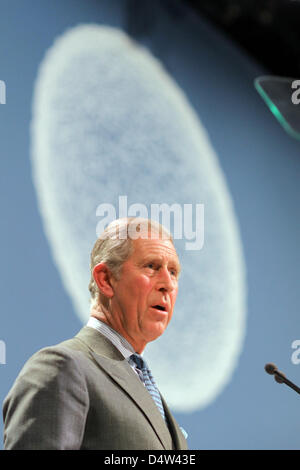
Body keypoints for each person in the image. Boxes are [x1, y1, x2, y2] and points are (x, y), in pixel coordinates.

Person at [2, 217, 188, 450]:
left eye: (173, 272)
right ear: (106, 279)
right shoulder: (63, 368)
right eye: (151, 266)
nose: (167, 284)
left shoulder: (146, 387)